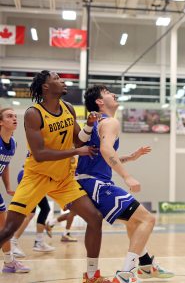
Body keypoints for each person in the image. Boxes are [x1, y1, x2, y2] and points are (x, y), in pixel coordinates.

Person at [0, 71, 112, 283]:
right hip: (36, 176)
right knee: (9, 228)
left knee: (95, 219)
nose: (63, 82)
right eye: (57, 79)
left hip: (63, 178)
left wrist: (88, 124)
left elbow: (79, 141)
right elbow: (40, 154)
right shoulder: (34, 114)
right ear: (45, 87)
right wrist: (76, 152)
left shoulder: (68, 108)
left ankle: (91, 276)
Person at [76, 85, 174, 282]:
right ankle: (126, 273)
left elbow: (99, 155)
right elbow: (105, 150)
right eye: (107, 93)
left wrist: (129, 157)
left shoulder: (98, 123)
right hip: (97, 184)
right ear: (99, 102)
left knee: (134, 221)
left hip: (87, 182)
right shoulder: (110, 122)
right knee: (147, 219)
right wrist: (127, 176)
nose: (113, 94)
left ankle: (146, 265)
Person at [0, 107, 29, 273]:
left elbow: (4, 166)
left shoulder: (12, 143)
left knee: (4, 227)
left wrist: (8, 187)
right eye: (9, 116)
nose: (14, 118)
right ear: (1, 122)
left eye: (14, 116)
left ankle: (9, 262)